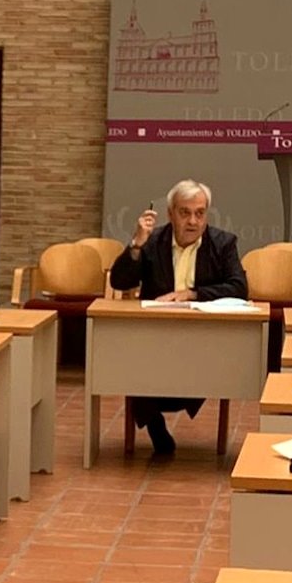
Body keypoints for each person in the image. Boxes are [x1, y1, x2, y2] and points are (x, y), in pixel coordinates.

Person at [107, 178, 249, 454]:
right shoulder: (152, 242)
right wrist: (136, 243)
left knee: (200, 370)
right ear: (171, 213)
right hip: (155, 336)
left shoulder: (223, 243)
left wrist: (192, 294)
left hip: (203, 338)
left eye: (200, 213)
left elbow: (239, 287)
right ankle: (153, 423)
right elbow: (120, 282)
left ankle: (156, 412)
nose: (193, 221)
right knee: (133, 359)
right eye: (185, 213)